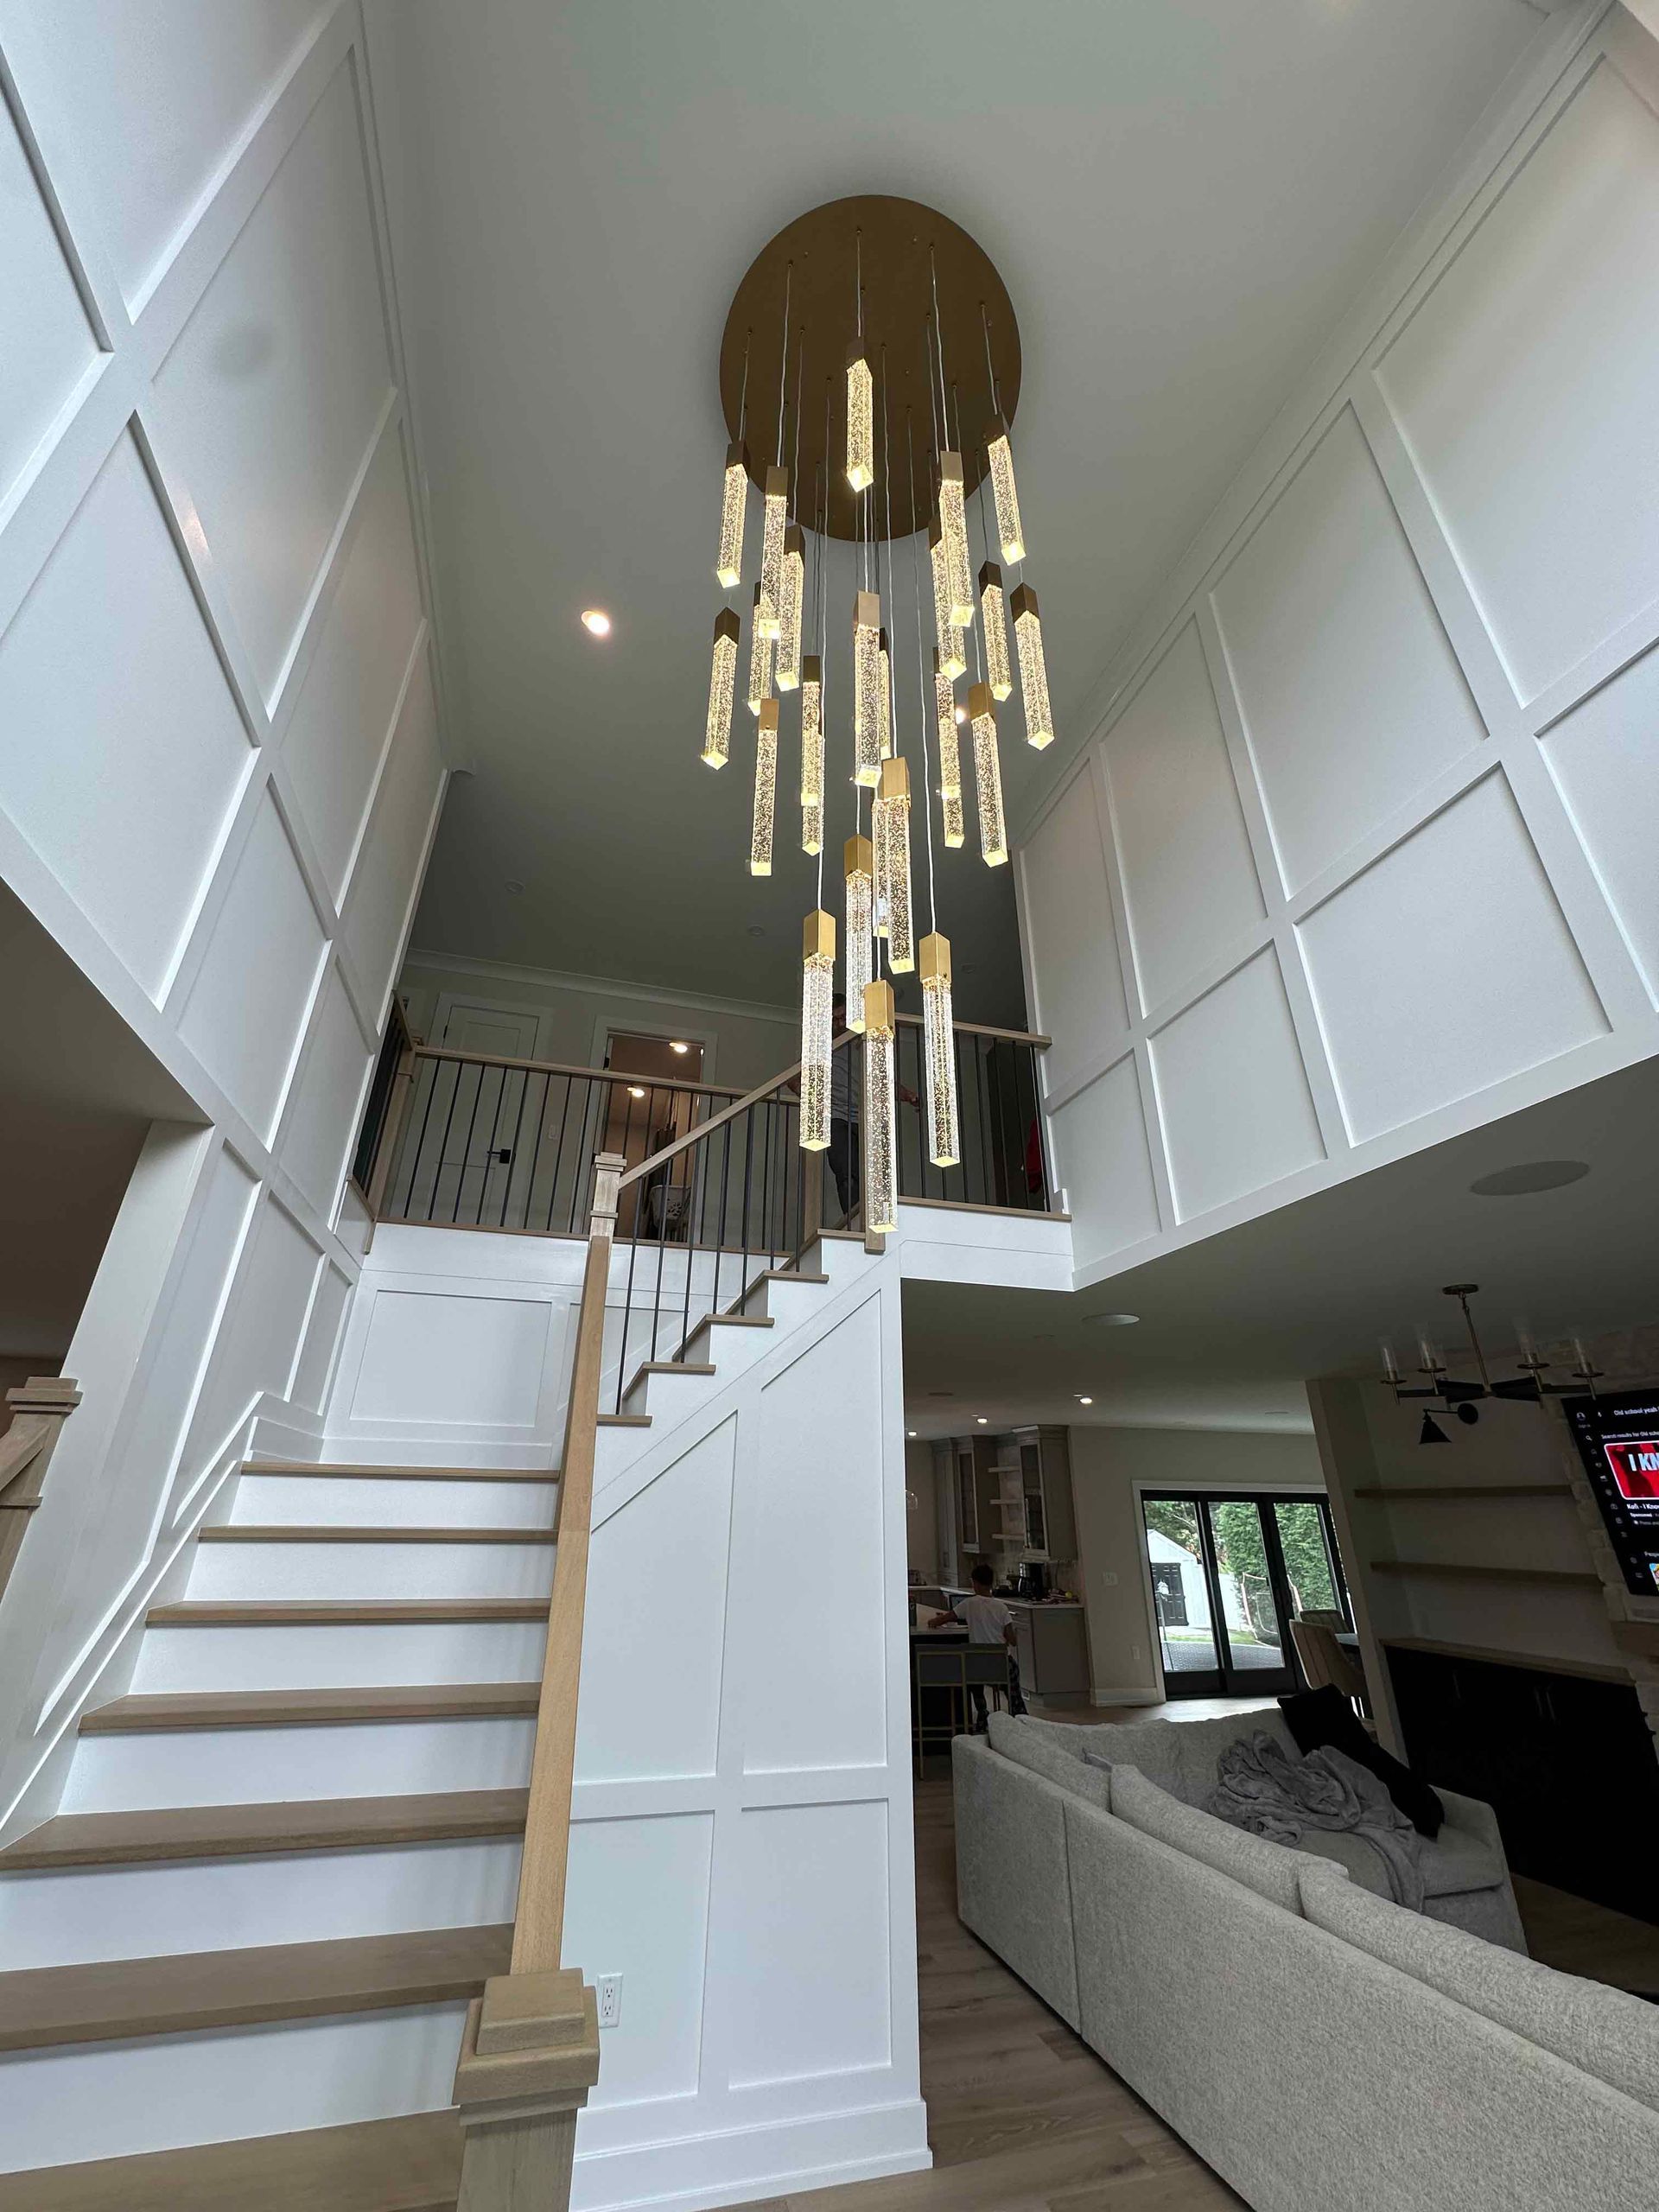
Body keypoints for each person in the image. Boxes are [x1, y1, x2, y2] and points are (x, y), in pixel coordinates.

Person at [826, 993, 918, 1229]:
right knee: (846, 1173)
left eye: (843, 1018)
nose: (839, 1024)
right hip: (836, 1119)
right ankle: (857, 1224)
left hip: (866, 1119)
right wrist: (818, 1105)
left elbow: (883, 1080)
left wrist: (908, 1095)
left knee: (873, 1176)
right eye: (834, 1019)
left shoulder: (864, 1044)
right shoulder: (821, 1048)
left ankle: (875, 1222)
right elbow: (796, 1082)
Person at [931, 1561, 1027, 1731]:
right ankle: (1018, 1716)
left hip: (977, 1665)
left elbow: (946, 1618)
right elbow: (1012, 1640)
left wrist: (933, 1621)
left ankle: (982, 1713)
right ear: (991, 1583)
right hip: (999, 1663)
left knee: (972, 1679)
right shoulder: (1001, 1607)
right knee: (1012, 1675)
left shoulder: (969, 1604)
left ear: (975, 1583)